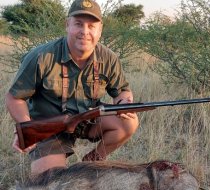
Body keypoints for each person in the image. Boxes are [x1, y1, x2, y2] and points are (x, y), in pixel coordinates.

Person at [5, 0, 139, 175]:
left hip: (87, 121)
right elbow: (14, 97)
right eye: (78, 24)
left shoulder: (109, 58)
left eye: (91, 26)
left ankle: (91, 165)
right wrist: (26, 127)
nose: (85, 31)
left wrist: (124, 102)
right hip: (49, 129)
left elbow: (122, 90)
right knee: (50, 183)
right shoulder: (40, 56)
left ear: (100, 30)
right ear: (67, 25)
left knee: (129, 122)